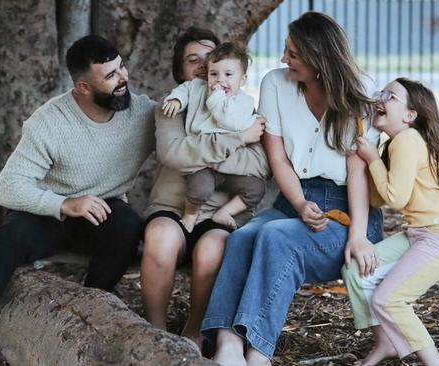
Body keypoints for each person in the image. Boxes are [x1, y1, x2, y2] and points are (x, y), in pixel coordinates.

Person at [0, 35, 156, 366]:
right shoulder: (50, 121)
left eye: (121, 67)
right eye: (111, 75)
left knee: (127, 225)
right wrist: (65, 204)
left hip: (101, 212)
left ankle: (89, 306)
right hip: (49, 210)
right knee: (7, 240)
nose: (123, 78)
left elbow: (188, 127)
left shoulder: (142, 113)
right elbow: (7, 187)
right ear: (83, 88)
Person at [201, 12, 384, 366]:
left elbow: (357, 173)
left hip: (348, 214)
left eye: (293, 54)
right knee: (241, 237)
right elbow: (279, 159)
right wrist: (299, 203)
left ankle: (257, 349)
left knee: (276, 238)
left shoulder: (359, 91)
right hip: (292, 200)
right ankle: (226, 342)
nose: (284, 59)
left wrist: (359, 236)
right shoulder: (276, 84)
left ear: (319, 60)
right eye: (286, 51)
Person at [141, 27, 269, 351]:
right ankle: (155, 330)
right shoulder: (171, 107)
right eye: (193, 60)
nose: (202, 67)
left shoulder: (241, 109)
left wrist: (201, 151)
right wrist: (235, 142)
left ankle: (195, 330)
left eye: (209, 59)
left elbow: (259, 167)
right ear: (179, 69)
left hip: (219, 212)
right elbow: (174, 153)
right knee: (160, 237)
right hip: (173, 207)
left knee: (213, 249)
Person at [341, 78, 439, 366]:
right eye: (381, 92)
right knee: (356, 270)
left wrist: (371, 157)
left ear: (410, 115)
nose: (380, 98)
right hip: (419, 235)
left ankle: (435, 363)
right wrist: (363, 159)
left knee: (390, 299)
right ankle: (385, 342)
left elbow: (395, 198)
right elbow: (376, 199)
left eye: (391, 95)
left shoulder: (408, 140)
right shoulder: (394, 144)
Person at [162, 41, 266, 231]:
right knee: (200, 189)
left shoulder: (243, 101)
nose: (219, 80)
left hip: (230, 169)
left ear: (242, 79)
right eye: (214, 74)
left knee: (256, 188)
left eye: (228, 75)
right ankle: (191, 213)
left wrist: (216, 97)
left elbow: (230, 122)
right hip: (202, 164)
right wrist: (177, 99)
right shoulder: (197, 88)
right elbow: (184, 89)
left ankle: (226, 212)